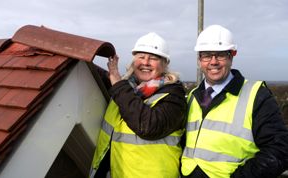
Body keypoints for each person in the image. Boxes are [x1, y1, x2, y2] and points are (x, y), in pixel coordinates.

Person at [181, 24, 288, 178]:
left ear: (232, 56)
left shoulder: (256, 95)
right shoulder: (192, 96)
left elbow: (280, 149)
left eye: (220, 55)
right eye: (206, 55)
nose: (213, 62)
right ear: (199, 60)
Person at [90, 32, 187, 178]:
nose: (146, 62)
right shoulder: (128, 87)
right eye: (141, 57)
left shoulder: (174, 96)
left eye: (153, 58)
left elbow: (147, 126)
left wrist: (118, 84)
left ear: (164, 64)